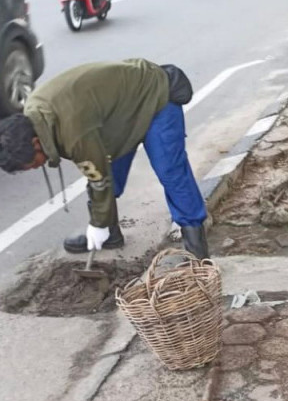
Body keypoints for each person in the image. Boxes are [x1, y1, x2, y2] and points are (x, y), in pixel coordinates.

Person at [0, 58, 209, 259]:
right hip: (118, 117)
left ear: (36, 143)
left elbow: (99, 178)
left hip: (153, 97)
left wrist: (96, 225)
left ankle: (196, 246)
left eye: (31, 164)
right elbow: (98, 169)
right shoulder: (34, 118)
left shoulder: (72, 132)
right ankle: (110, 234)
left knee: (171, 172)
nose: (35, 168)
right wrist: (99, 224)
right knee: (108, 167)